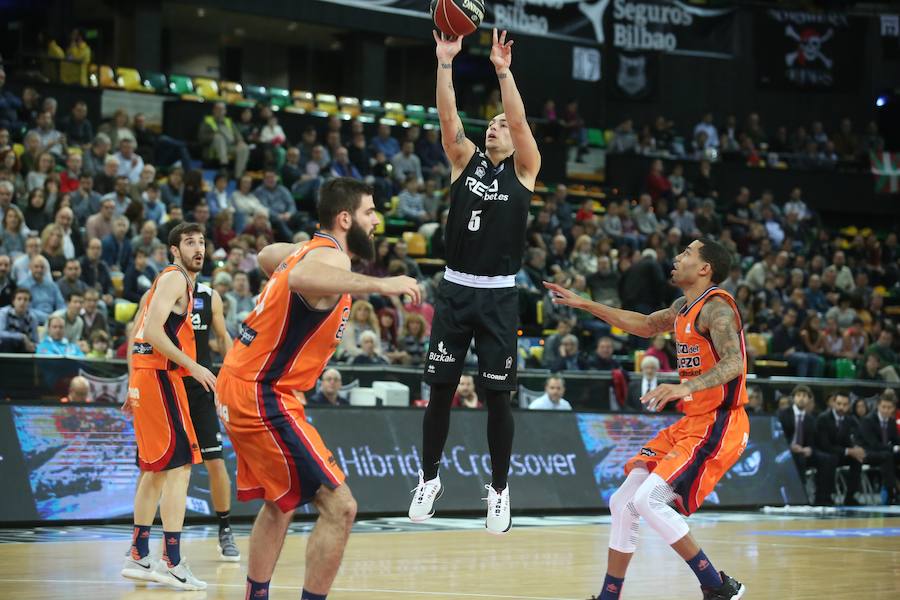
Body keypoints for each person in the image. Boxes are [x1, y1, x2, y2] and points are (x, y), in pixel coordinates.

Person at [215, 178, 419, 600]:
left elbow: (266, 255)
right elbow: (302, 276)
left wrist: (297, 257)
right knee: (340, 508)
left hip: (242, 384)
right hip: (261, 392)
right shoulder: (330, 260)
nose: (377, 220)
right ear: (346, 219)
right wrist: (383, 285)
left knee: (279, 503)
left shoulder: (313, 251)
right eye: (369, 212)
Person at [545, 237, 748, 599]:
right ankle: (610, 596)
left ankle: (716, 586)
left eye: (687, 253)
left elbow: (735, 363)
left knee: (648, 500)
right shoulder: (684, 306)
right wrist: (585, 304)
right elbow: (644, 324)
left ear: (705, 268)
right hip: (691, 422)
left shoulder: (717, 309)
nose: (677, 257)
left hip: (721, 421)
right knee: (622, 502)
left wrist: (684, 388)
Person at [410, 29, 541, 535]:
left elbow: (521, 120)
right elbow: (448, 119)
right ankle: (428, 479)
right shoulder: (463, 162)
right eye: (489, 123)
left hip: (498, 297)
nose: (494, 128)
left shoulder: (526, 170)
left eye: (501, 125)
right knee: (439, 390)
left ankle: (500, 490)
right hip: (456, 289)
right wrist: (445, 62)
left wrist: (503, 71)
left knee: (497, 397)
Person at [120, 222, 216, 591]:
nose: (199, 248)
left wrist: (132, 383)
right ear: (174, 250)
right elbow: (150, 333)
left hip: (148, 377)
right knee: (180, 468)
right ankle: (172, 561)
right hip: (161, 377)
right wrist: (192, 365)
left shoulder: (163, 283)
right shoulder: (176, 278)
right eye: (190, 242)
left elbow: (134, 335)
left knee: (155, 470)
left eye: (202, 242)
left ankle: (138, 554)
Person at [776, 385, 835, 505]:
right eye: (798, 396)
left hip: (804, 452)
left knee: (827, 459)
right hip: (787, 451)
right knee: (799, 459)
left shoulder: (811, 419)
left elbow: (813, 441)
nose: (801, 399)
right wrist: (790, 447)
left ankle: (822, 498)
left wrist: (810, 449)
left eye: (804, 396)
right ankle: (799, 497)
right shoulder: (783, 414)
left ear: (809, 400)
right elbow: (777, 437)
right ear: (793, 398)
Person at [815, 392, 866, 506]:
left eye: (845, 404)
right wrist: (849, 451)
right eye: (839, 404)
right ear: (833, 403)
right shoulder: (823, 418)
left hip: (841, 453)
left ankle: (850, 497)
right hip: (825, 453)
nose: (841, 407)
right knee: (830, 458)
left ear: (849, 406)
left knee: (857, 459)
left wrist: (856, 448)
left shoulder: (850, 420)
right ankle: (826, 496)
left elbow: (854, 438)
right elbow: (825, 446)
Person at [859, 392, 899, 504]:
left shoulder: (891, 421)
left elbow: (896, 440)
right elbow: (873, 444)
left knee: (890, 456)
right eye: (883, 407)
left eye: (889, 407)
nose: (886, 410)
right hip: (867, 453)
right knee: (887, 456)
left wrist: (896, 448)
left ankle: (896, 489)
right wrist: (894, 448)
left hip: (885, 452)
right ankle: (890, 493)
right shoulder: (868, 420)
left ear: (893, 408)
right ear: (878, 406)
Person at [0, 288, 39, 353]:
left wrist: (33, 346)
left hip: (24, 349)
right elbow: (0, 333)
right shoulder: (4, 313)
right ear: (13, 301)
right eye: (19, 299)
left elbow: (36, 340)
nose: (22, 302)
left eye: (25, 299)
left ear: (29, 303)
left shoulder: (32, 318)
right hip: (5, 347)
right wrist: (21, 336)